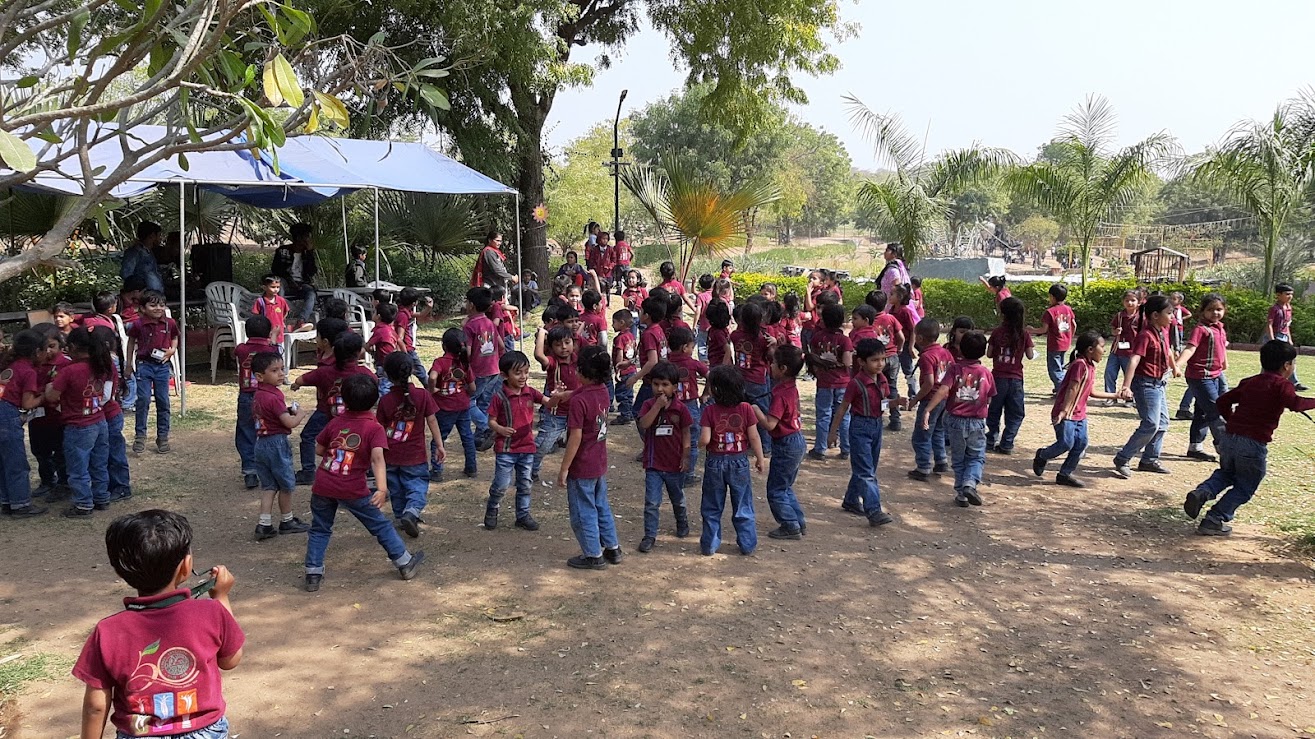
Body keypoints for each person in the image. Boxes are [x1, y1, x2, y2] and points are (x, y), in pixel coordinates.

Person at [73, 510, 243, 738]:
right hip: (204, 731)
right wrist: (221, 597)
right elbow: (230, 660)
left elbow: (96, 706)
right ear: (186, 565)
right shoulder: (211, 612)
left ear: (119, 570)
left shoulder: (108, 631)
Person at [304, 374, 425, 591]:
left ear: (344, 399)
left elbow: (319, 449)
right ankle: (404, 562)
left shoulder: (336, 422)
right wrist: (381, 488)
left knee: (320, 528)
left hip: (323, 484)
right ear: (375, 400)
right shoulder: (374, 427)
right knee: (380, 525)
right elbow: (377, 458)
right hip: (352, 488)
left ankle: (313, 572)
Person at [1184, 340, 1315, 536]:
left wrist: (1231, 422)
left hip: (1229, 438)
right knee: (1247, 484)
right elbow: (1295, 404)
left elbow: (1223, 401)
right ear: (1287, 366)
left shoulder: (1250, 381)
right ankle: (1215, 519)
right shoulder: (1282, 385)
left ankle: (1203, 491)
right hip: (1253, 443)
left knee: (1227, 473)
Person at [485, 351, 567, 531]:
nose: (523, 377)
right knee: (501, 484)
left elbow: (550, 404)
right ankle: (492, 508)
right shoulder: (499, 397)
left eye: (526, 372)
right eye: (518, 373)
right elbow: (490, 420)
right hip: (506, 450)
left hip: (527, 448)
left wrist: (557, 396)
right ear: (504, 375)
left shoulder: (530, 392)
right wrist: (500, 429)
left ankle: (522, 514)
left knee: (525, 483)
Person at [556, 346, 620, 569]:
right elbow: (583, 394)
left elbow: (575, 437)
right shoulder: (603, 390)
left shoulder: (578, 403)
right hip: (599, 461)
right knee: (601, 505)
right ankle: (612, 548)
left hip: (582, 465)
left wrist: (564, 468)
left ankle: (593, 554)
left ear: (581, 371)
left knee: (583, 511)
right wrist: (565, 395)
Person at [1032, 331, 1122, 487]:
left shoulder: (1090, 366)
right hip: (1066, 413)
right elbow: (1071, 389)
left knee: (1081, 444)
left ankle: (1065, 474)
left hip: (1080, 415)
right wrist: (1064, 411)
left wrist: (1116, 395)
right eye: (1101, 346)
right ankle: (1042, 455)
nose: (1104, 350)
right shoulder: (1080, 365)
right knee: (1065, 443)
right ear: (1090, 350)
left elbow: (1091, 392)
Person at [291, 328, 374, 485]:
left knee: (309, 437)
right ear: (358, 353)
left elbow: (300, 380)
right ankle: (367, 470)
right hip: (358, 418)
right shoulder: (364, 372)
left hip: (328, 414)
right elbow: (374, 385)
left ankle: (309, 471)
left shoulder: (324, 372)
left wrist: (296, 385)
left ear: (334, 350)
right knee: (363, 441)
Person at [923, 331, 996, 508]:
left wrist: (928, 410)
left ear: (960, 350)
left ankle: (961, 494)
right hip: (977, 422)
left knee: (958, 457)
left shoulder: (955, 369)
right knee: (976, 456)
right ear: (983, 350)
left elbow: (942, 390)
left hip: (955, 420)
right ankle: (970, 484)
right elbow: (989, 397)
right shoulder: (986, 373)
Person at [698, 365, 763, 556]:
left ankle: (710, 544)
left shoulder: (709, 411)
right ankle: (747, 544)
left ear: (715, 389)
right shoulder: (746, 409)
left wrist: (695, 445)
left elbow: (705, 439)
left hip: (715, 462)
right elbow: (754, 437)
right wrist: (760, 458)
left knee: (711, 505)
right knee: (743, 504)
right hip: (739, 462)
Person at [1111, 294, 1178, 479]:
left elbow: (1168, 351)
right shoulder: (1145, 335)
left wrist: (1174, 367)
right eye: (1169, 313)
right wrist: (1126, 386)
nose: (1172, 317)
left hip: (1159, 384)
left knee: (1163, 424)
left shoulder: (1163, 332)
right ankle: (1122, 458)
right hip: (1145, 384)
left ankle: (1149, 459)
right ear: (1155, 315)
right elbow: (1134, 359)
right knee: (1150, 424)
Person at [48, 327, 112, 517]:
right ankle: (101, 497)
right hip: (100, 420)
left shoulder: (69, 371)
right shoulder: (101, 365)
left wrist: (49, 384)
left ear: (73, 347)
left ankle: (83, 504)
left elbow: (52, 396)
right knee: (99, 464)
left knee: (77, 468)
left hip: (78, 425)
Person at [377, 352, 443, 538]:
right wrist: (439, 445)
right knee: (417, 486)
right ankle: (412, 511)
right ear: (412, 370)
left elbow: (379, 429)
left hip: (390, 455)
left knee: (396, 489)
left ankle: (400, 517)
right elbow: (432, 421)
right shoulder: (422, 395)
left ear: (388, 375)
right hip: (415, 455)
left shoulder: (385, 401)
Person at [249, 351, 312, 540]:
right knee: (286, 484)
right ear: (260, 376)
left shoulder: (259, 395)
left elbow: (273, 415)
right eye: (275, 370)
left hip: (261, 443)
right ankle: (287, 520)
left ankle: (264, 523)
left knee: (268, 486)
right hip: (277, 443)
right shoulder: (274, 397)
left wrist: (286, 411)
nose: (281, 374)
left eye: (282, 369)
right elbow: (289, 423)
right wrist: (300, 414)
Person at [830, 338, 894, 526]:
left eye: (882, 359)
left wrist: (896, 403)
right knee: (866, 471)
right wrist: (833, 432)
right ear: (861, 362)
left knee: (867, 468)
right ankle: (873, 510)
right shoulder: (856, 384)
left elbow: (884, 402)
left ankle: (851, 499)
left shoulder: (882, 380)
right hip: (860, 427)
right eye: (875, 360)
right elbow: (843, 408)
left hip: (877, 425)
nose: (880, 364)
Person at [636, 361, 692, 553]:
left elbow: (686, 434)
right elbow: (644, 424)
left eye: (665, 384)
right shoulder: (648, 404)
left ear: (674, 387)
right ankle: (649, 535)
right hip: (654, 464)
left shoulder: (680, 409)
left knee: (678, 498)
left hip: (674, 464)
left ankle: (682, 523)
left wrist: (686, 457)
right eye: (656, 384)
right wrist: (657, 407)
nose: (660, 389)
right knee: (652, 502)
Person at [754, 345, 807, 540]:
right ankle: (798, 521)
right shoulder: (791, 388)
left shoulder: (780, 394)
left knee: (775, 490)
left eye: (774, 363)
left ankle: (790, 524)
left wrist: (754, 410)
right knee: (785, 486)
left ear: (783, 368)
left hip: (786, 444)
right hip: (797, 440)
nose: (771, 366)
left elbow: (769, 424)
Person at [0, 329, 49, 516]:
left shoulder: (10, 366)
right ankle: (21, 504)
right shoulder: (28, 371)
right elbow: (27, 403)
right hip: (7, 417)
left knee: (3, 463)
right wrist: (45, 396)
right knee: (16, 463)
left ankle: (7, 501)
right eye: (45, 350)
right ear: (37, 352)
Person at [1177, 293, 1229, 463]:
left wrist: (1224, 363)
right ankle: (1225, 449)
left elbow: (1222, 346)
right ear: (1203, 311)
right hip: (1200, 376)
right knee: (1217, 410)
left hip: (1215, 375)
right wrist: (1178, 364)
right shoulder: (1201, 329)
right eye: (1211, 310)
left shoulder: (1219, 327)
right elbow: (1190, 348)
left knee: (1203, 412)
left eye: (1219, 309)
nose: (1215, 313)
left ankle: (1195, 447)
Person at [126, 290, 178, 455]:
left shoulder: (170, 323)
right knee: (143, 400)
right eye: (153, 305)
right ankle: (140, 435)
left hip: (162, 366)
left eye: (161, 305)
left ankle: (162, 436)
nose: (158, 308)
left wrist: (172, 350)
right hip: (144, 365)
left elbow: (175, 336)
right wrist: (128, 364)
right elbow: (130, 341)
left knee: (163, 401)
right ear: (142, 308)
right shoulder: (138, 324)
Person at [985, 296, 1035, 454]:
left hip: (998, 378)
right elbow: (1030, 355)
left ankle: (991, 438)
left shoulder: (997, 332)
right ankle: (1007, 442)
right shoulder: (1024, 334)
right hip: (1016, 379)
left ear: (1003, 314)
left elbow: (989, 353)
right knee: (1016, 413)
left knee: (994, 410)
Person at [428, 328, 478, 482]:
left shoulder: (440, 362)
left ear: (444, 346)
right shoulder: (464, 364)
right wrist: (466, 393)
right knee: (467, 437)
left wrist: (433, 389)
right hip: (463, 405)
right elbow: (473, 387)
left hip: (445, 407)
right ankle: (471, 468)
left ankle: (436, 471)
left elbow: (432, 377)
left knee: (438, 439)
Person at [906, 318, 952, 482]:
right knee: (938, 430)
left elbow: (929, 382)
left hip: (930, 399)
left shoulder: (926, 357)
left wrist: (916, 399)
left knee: (921, 435)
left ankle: (923, 467)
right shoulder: (946, 353)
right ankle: (941, 461)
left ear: (919, 339)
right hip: (944, 398)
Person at [806, 303, 853, 461]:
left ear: (823, 320)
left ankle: (820, 448)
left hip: (824, 382)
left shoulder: (817, 337)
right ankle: (846, 448)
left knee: (823, 415)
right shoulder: (844, 340)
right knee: (844, 415)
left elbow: (813, 357)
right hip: (843, 382)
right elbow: (847, 362)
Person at [728, 300, 775, 456]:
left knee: (743, 411)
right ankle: (766, 445)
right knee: (762, 412)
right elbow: (770, 357)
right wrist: (773, 344)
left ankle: (746, 442)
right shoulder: (763, 339)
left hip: (740, 378)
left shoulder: (735, 335)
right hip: (758, 380)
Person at [234, 315, 275, 490]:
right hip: (267, 395)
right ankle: (270, 468)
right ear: (268, 332)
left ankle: (250, 470)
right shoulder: (272, 351)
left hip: (246, 396)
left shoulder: (242, 349)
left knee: (245, 431)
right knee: (269, 430)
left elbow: (236, 352)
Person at [464, 287, 504, 452]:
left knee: (468, 402)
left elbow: (466, 352)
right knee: (484, 403)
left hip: (478, 371)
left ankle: (486, 426)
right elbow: (501, 345)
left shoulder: (469, 326)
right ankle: (480, 438)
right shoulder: (489, 322)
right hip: (493, 369)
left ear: (471, 305)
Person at [667, 327, 709, 483]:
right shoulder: (693, 363)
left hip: (670, 406)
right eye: (692, 347)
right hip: (690, 405)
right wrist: (706, 393)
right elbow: (710, 376)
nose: (692, 350)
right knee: (691, 442)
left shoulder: (667, 363)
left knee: (672, 441)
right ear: (685, 347)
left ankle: (672, 472)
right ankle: (688, 474)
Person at [270, 223, 318, 331]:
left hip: (301, 284)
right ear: (299, 238)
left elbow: (312, 271)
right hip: (286, 282)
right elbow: (276, 270)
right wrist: (290, 280)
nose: (308, 239)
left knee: (311, 293)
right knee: (279, 284)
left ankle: (301, 321)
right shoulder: (283, 251)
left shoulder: (307, 253)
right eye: (307, 237)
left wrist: (310, 253)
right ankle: (279, 319)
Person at [869, 291, 905, 431]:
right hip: (893, 357)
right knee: (892, 387)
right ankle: (895, 419)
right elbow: (901, 337)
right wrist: (899, 349)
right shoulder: (890, 318)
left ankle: (876, 415)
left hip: (876, 359)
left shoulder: (869, 321)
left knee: (876, 388)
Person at [1032, 283, 1076, 393]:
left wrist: (1031, 330)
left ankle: (1063, 389)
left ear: (1052, 297)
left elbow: (1043, 329)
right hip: (1066, 343)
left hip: (1054, 344)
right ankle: (1059, 387)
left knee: (1054, 369)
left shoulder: (1049, 312)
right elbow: (1074, 324)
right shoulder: (1068, 309)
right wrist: (1070, 336)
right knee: (1060, 366)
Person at [1266, 283, 1306, 391]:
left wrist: (1289, 338)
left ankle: (1294, 383)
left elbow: (1287, 325)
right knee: (1272, 360)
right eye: (1287, 294)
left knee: (1290, 359)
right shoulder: (1274, 309)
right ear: (1278, 295)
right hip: (1276, 336)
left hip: (1284, 336)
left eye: (1291, 294)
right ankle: (1265, 381)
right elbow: (1269, 324)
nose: (1290, 297)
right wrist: (1272, 340)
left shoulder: (1288, 308)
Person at [1105, 291, 1141, 399]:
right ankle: (1110, 396)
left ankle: (1130, 397)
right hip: (1116, 350)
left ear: (1138, 302)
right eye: (1127, 300)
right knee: (1109, 373)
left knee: (1130, 375)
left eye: (1133, 300)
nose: (1129, 303)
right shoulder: (1120, 316)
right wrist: (1115, 332)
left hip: (1132, 352)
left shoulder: (1141, 317)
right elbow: (1112, 329)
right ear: (1123, 302)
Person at [396, 287, 434, 387]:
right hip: (407, 350)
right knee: (421, 373)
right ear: (414, 303)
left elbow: (420, 315)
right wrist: (404, 353)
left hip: (406, 350)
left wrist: (429, 308)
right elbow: (400, 337)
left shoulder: (403, 311)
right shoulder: (403, 316)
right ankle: (431, 391)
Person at [119, 221, 165, 293]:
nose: (160, 238)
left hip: (155, 295)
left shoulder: (149, 252)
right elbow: (126, 274)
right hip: (144, 296)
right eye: (159, 235)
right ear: (152, 235)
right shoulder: (134, 252)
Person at [611, 309, 637, 424]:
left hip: (624, 371)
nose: (612, 325)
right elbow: (635, 350)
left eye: (614, 322)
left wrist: (617, 369)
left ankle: (625, 415)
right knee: (629, 392)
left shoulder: (620, 338)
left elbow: (620, 355)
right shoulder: (631, 335)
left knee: (622, 393)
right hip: (632, 369)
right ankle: (629, 412)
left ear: (621, 323)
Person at [366, 302, 399, 393]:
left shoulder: (380, 331)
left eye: (374, 312)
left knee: (384, 387)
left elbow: (368, 346)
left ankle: (384, 403)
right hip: (392, 361)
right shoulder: (390, 329)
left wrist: (364, 347)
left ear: (378, 316)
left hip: (384, 363)